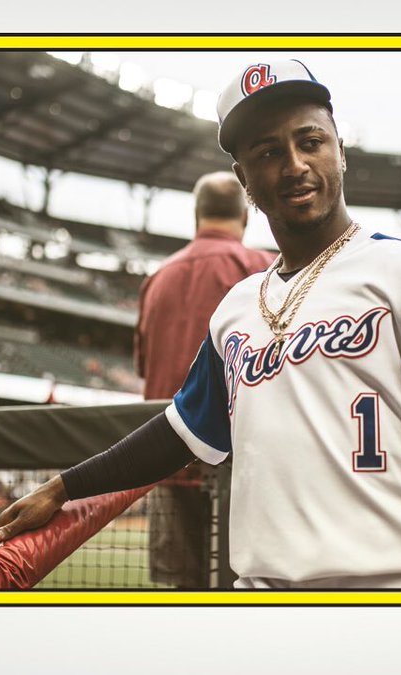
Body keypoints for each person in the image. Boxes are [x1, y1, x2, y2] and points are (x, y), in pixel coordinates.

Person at [0, 59, 401, 590]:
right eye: (269, 152)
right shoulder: (238, 307)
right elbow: (178, 434)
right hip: (261, 601)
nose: (294, 165)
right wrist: (64, 488)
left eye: (310, 141)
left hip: (397, 592)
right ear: (244, 179)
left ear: (341, 151)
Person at [134, 171, 275, 588]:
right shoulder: (265, 269)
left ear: (196, 216)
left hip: (169, 457)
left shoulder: (157, 279)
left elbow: (145, 368)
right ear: (245, 217)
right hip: (244, 467)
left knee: (175, 599)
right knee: (246, 600)